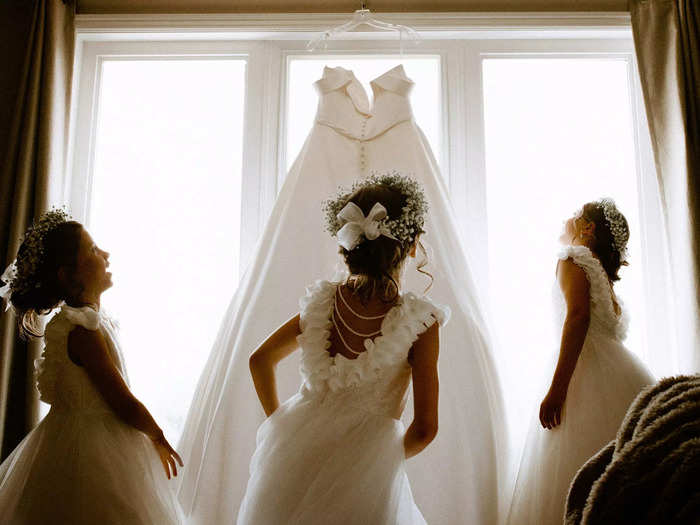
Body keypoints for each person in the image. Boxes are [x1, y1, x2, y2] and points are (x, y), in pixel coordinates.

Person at [236, 174, 448, 524]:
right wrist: (379, 462)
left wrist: (279, 425)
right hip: (365, 468)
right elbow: (426, 428)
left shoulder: (321, 302)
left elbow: (260, 359)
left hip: (296, 451)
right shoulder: (420, 321)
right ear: (410, 245)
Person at [0, 209, 184, 524]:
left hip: (72, 438)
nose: (106, 255)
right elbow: (120, 398)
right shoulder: (82, 330)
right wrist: (157, 434)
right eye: (93, 250)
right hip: (89, 451)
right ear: (69, 275)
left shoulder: (85, 323)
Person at [506, 198, 655, 525]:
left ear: (588, 228)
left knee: (579, 475)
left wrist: (558, 388)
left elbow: (577, 318)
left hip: (584, 375)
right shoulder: (601, 274)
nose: (566, 218)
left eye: (575, 215)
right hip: (621, 379)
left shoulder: (572, 258)